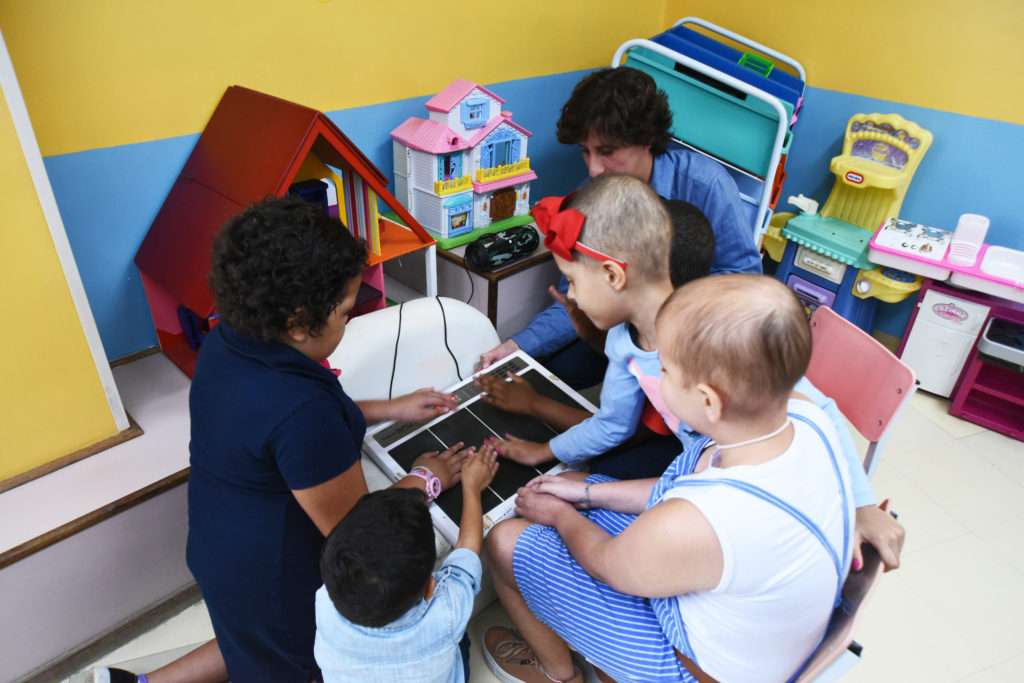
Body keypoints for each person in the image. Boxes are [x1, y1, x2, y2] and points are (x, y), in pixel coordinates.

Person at [92, 196, 471, 683]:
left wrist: (390, 408)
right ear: (297, 324)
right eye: (344, 312)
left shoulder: (231, 340)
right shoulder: (303, 412)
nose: (350, 320)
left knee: (247, 635)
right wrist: (426, 478)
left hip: (219, 547)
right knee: (285, 651)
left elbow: (285, 426)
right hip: (276, 577)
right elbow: (360, 534)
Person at [483, 274, 856, 683]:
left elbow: (610, 564)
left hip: (690, 668)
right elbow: (675, 490)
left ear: (708, 399)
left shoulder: (700, 520)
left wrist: (559, 515)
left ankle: (559, 674)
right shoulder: (806, 417)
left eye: (665, 369)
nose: (657, 379)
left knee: (504, 541)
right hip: (756, 635)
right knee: (578, 485)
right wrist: (587, 492)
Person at [479, 66, 762, 387]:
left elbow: (744, 281)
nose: (594, 168)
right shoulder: (592, 197)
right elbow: (577, 298)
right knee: (560, 369)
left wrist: (666, 315)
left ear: (647, 139)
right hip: (621, 326)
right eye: (586, 152)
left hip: (690, 333)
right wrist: (518, 346)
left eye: (607, 152)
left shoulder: (705, 184)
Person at [475, 198, 716, 478]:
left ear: (613, 275)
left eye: (574, 281)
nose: (572, 296)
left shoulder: (707, 348)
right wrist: (545, 450)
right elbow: (613, 424)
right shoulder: (624, 337)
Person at [314, 443, 500, 682]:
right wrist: (472, 488)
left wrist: (422, 476)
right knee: (459, 640)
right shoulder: (449, 613)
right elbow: (467, 550)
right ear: (430, 588)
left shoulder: (324, 601)